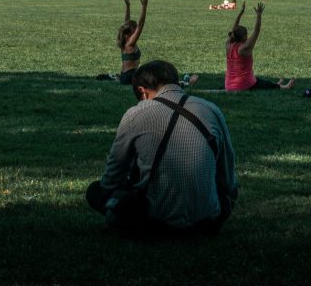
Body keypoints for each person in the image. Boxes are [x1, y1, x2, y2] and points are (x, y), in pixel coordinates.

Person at [86, 60, 238, 235]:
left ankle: (126, 222)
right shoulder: (211, 109)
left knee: (95, 192)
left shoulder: (137, 113)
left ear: (142, 91)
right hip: (206, 223)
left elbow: (113, 174)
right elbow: (227, 173)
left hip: (155, 223)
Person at [225, 2, 294, 91]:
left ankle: (276, 84)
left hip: (229, 85)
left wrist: (240, 13)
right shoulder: (244, 48)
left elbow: (233, 29)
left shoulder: (228, 46)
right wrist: (259, 15)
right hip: (242, 85)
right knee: (257, 82)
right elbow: (256, 31)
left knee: (256, 79)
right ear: (244, 37)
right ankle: (285, 87)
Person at [118, 0, 148, 85]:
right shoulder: (130, 43)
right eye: (134, 29)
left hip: (124, 76)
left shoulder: (124, 40)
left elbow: (126, 22)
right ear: (131, 31)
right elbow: (141, 25)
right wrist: (144, 8)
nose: (136, 31)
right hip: (130, 76)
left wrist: (128, 5)